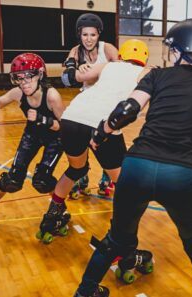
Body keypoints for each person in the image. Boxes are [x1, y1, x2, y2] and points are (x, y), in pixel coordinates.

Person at [73, 19, 192, 297]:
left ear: (181, 51)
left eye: (172, 49)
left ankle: (84, 294)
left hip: (138, 165)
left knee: (116, 239)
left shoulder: (157, 76)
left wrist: (101, 134)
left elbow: (124, 111)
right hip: (181, 173)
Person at [36, 39, 150, 243]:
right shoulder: (146, 72)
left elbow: (72, 78)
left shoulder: (108, 65)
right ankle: (119, 238)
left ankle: (52, 216)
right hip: (103, 124)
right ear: (145, 59)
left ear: (121, 55)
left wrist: (73, 62)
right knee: (124, 184)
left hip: (71, 118)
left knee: (76, 169)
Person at [0, 53, 64, 235]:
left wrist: (43, 119)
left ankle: (59, 208)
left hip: (55, 137)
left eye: (28, 77)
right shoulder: (18, 93)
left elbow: (66, 128)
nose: (24, 83)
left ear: (40, 75)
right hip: (32, 134)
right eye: (19, 78)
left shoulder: (52, 96)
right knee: (13, 179)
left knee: (42, 180)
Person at [65, 12, 119, 197]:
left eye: (93, 35)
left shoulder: (108, 49)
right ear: (79, 34)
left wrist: (98, 72)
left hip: (107, 104)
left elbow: (122, 72)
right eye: (85, 34)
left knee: (106, 142)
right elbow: (67, 79)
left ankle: (106, 179)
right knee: (83, 142)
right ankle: (82, 178)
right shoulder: (75, 51)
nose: (88, 39)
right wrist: (76, 69)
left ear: (99, 35)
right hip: (87, 103)